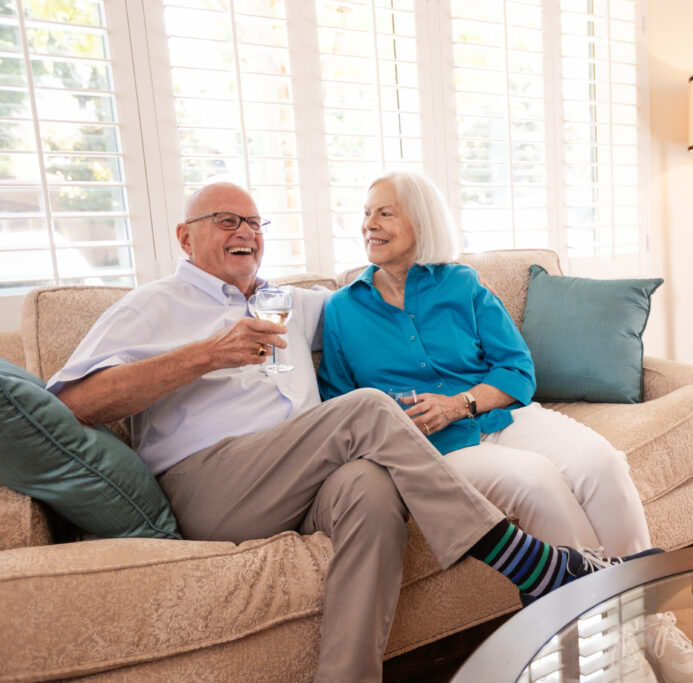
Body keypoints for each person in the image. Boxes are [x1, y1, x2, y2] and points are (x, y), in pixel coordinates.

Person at [46, 182, 656, 683]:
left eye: (256, 223)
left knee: (370, 490)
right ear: (185, 236)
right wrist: (205, 355)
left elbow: (367, 306)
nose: (247, 234)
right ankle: (527, 562)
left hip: (301, 478)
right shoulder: (152, 305)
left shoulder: (295, 302)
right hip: (211, 483)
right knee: (365, 409)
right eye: (226, 220)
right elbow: (71, 405)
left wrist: (457, 394)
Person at [317, 170, 653, 556]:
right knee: (538, 481)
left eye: (385, 214)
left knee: (603, 463)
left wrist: (460, 404)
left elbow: (517, 369)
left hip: (498, 417)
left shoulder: (461, 284)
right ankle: (592, 609)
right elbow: (338, 405)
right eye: (366, 213)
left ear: (421, 222)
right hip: (434, 449)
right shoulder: (343, 308)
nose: (368, 225)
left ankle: (640, 607)